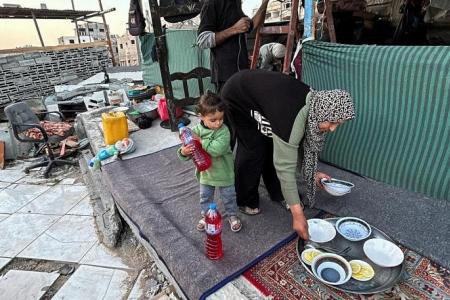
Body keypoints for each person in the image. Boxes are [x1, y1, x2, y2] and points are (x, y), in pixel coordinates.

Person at [220, 70, 355, 240]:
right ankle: (245, 199)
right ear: (322, 112)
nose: (333, 128)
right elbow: (285, 166)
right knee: (254, 148)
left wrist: (312, 174)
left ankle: (278, 192)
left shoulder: (315, 105)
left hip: (266, 99)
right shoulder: (291, 117)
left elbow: (297, 145)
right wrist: (297, 215)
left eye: (338, 124)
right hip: (238, 96)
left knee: (274, 143)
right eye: (332, 122)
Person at [177, 93, 242, 233]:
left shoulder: (224, 131)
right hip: (206, 174)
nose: (218, 123)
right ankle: (207, 215)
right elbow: (189, 151)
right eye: (213, 120)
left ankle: (232, 215)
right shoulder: (195, 131)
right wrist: (184, 151)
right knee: (205, 197)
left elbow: (217, 149)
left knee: (229, 197)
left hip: (224, 173)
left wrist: (200, 141)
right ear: (201, 116)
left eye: (221, 118)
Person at [197, 0, 270, 92]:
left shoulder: (235, 3)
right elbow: (202, 40)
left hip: (242, 73)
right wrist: (234, 29)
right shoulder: (212, 3)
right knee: (227, 106)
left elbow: (252, 25)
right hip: (225, 77)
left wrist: (265, 3)